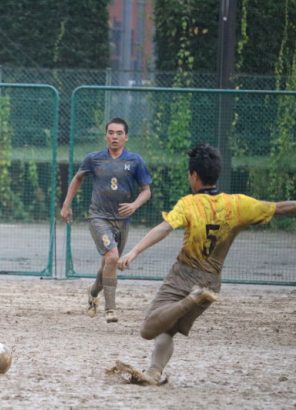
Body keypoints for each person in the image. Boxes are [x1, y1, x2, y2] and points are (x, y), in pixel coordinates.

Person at [116, 143, 296, 385]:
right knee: (168, 330)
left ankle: (191, 298)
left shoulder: (189, 204)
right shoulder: (237, 204)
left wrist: (134, 251)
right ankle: (154, 372)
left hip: (183, 275)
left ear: (194, 176)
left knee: (148, 329)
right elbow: (279, 208)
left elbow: (164, 228)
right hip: (212, 281)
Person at [60, 117, 152, 323]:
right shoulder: (94, 159)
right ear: (105, 136)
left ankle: (93, 293)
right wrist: (66, 205)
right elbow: (77, 178)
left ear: (126, 137)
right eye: (111, 133)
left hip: (123, 220)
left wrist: (135, 205)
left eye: (119, 133)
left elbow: (146, 191)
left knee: (108, 264)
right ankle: (111, 309)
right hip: (98, 217)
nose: (114, 137)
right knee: (112, 257)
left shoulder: (135, 161)